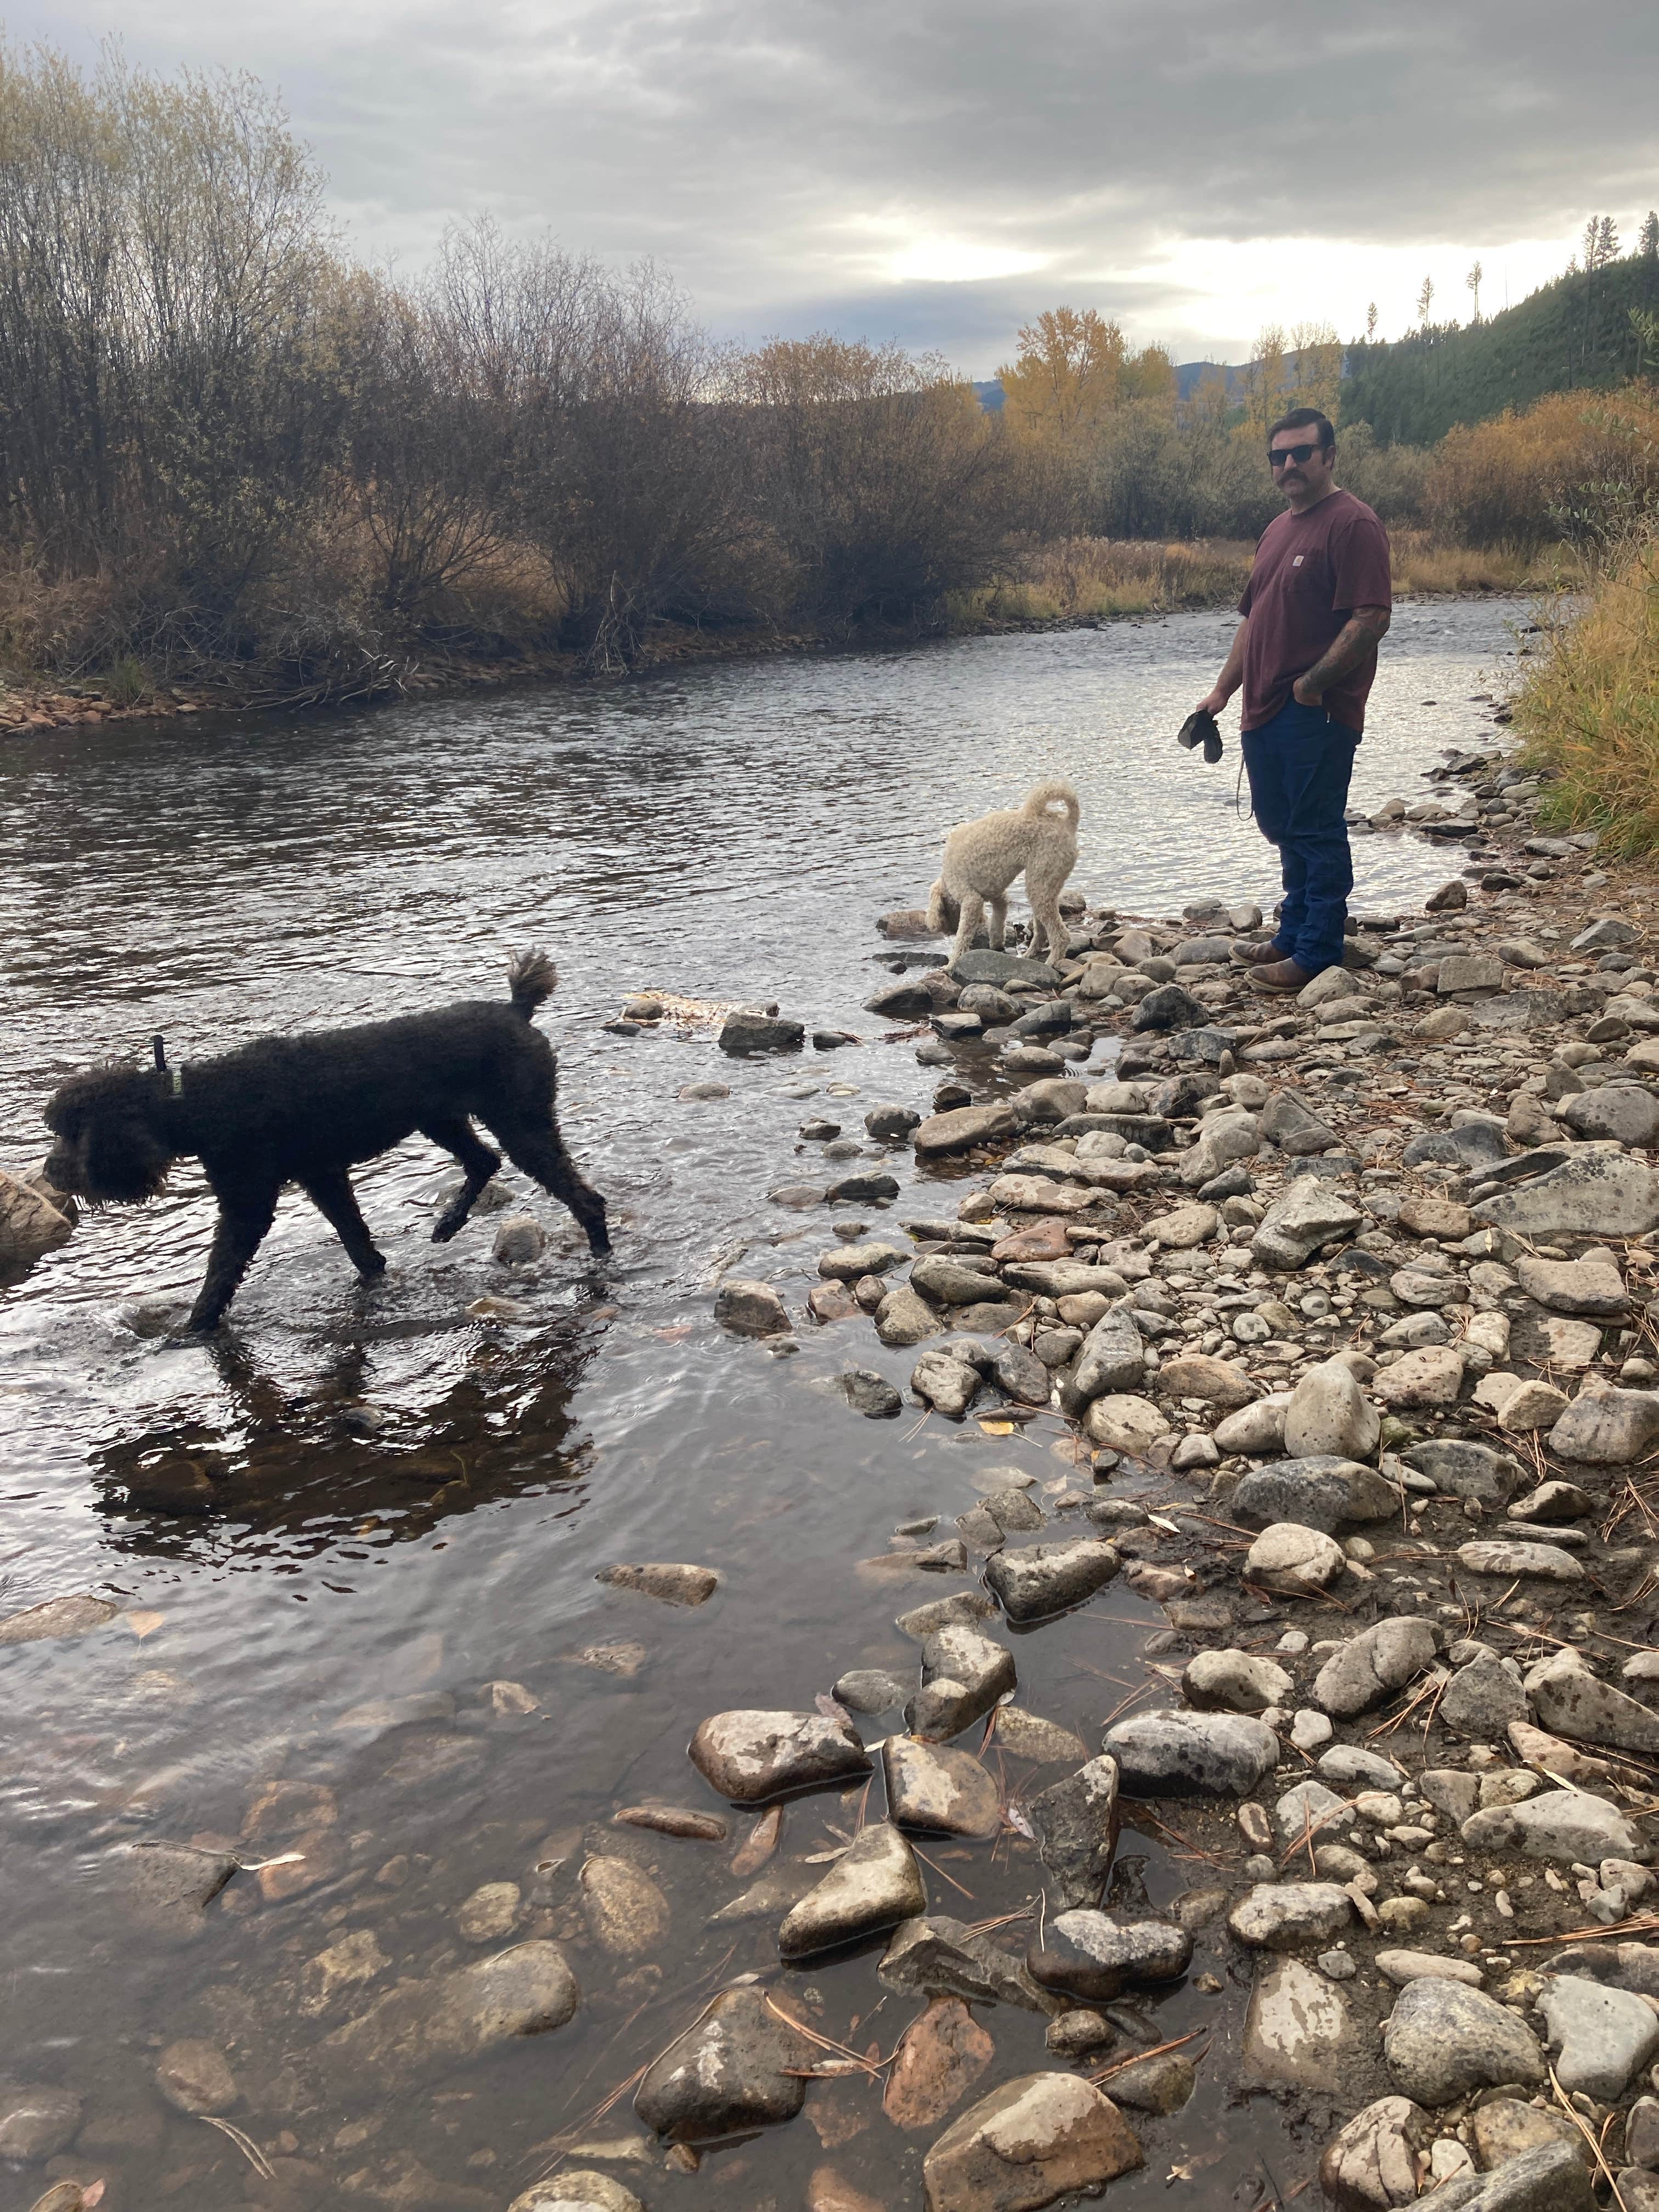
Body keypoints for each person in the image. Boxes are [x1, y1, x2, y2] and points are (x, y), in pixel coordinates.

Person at [1194, 405, 1392, 992]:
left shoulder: (1352, 524)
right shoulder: (1277, 529)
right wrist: (1221, 692)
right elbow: (1254, 621)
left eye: (1301, 453)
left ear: (1328, 456)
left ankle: (1317, 951)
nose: (1288, 465)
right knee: (1282, 826)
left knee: (1315, 827)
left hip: (1316, 713)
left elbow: (1372, 617)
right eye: (1278, 456)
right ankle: (1293, 929)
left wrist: (1313, 686)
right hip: (1263, 709)